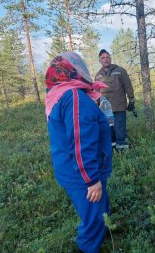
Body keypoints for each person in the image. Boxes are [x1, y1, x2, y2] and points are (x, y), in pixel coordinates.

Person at [45, 52, 112, 253]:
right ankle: (89, 247)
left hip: (74, 169)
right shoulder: (74, 97)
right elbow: (80, 142)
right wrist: (91, 180)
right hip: (82, 176)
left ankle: (108, 229)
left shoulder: (62, 93)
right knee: (92, 221)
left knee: (101, 209)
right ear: (71, 70)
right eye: (77, 65)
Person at [95, 49, 135, 150]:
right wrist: (96, 105)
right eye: (103, 58)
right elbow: (96, 92)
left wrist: (131, 100)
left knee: (120, 127)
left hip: (119, 105)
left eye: (107, 57)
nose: (105, 59)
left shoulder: (120, 70)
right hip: (105, 108)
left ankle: (121, 146)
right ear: (99, 60)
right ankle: (112, 146)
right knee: (109, 128)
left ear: (110, 58)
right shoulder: (98, 75)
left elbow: (128, 86)